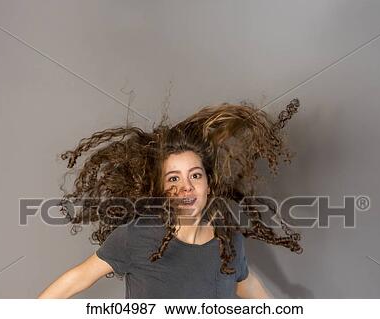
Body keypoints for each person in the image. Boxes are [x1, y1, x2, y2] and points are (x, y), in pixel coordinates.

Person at [38, 98, 303, 298]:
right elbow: (75, 279)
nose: (186, 187)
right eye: (174, 179)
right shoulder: (136, 236)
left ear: (209, 185)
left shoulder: (229, 243)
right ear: (161, 189)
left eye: (195, 176)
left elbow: (249, 285)